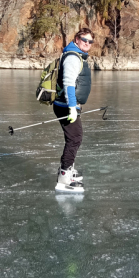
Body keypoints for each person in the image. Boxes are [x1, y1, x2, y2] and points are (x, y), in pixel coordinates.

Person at [54, 28, 94, 192]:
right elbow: (69, 83)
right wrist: (71, 108)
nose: (87, 43)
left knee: (73, 138)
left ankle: (68, 170)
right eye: (84, 40)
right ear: (77, 39)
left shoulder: (76, 54)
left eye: (90, 41)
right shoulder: (72, 57)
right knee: (75, 139)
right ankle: (64, 178)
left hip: (68, 105)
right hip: (65, 106)